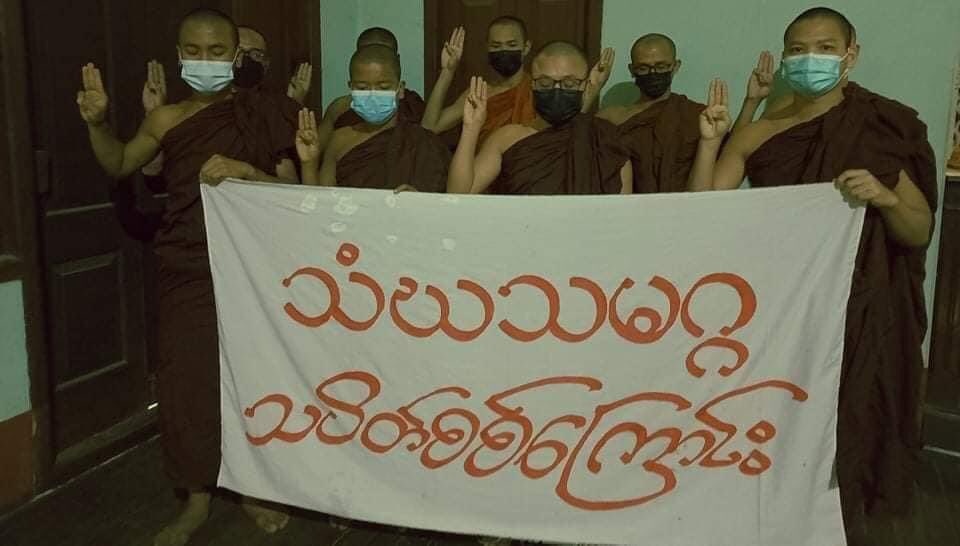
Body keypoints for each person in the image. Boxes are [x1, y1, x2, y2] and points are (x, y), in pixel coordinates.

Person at [688, 8, 936, 541]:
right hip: (783, 307)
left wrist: (888, 197)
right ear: (783, 59)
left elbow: (918, 231)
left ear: (852, 53)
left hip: (862, 308)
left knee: (850, 427)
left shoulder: (881, 127)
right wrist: (712, 142)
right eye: (797, 50)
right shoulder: (759, 133)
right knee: (776, 426)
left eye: (824, 47)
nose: (810, 59)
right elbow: (702, 211)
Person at [76, 8, 300, 545]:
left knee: (254, 377)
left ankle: (252, 486)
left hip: (253, 265)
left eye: (216, 52)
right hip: (187, 265)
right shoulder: (166, 120)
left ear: (236, 58)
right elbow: (120, 165)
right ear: (179, 58)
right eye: (194, 53)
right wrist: (97, 124)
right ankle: (196, 498)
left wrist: (248, 172)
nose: (205, 62)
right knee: (188, 383)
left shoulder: (263, 114)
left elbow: (295, 192)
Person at [447, 41, 631, 196]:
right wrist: (471, 128)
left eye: (569, 84)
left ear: (584, 85)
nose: (556, 91)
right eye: (545, 83)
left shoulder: (605, 141)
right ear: (532, 85)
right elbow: (459, 196)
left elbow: (620, 213)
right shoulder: (507, 138)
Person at [422, 17, 613, 144]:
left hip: (530, 174)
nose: (504, 51)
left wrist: (594, 89)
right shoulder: (480, 93)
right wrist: (447, 71)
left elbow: (566, 128)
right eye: (496, 45)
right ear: (487, 48)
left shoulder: (543, 89)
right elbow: (430, 127)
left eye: (512, 45)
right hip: (486, 179)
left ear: (526, 47)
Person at [299, 45, 450, 192]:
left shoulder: (421, 143)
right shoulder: (339, 139)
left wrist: (418, 199)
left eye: (383, 87)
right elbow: (320, 204)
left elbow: (441, 204)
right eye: (362, 88)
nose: (372, 95)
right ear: (351, 88)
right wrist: (309, 163)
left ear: (401, 89)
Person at [595, 33, 704, 193]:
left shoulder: (696, 115)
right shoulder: (612, 117)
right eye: (643, 68)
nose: (653, 73)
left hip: (685, 210)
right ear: (632, 70)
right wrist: (594, 88)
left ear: (676, 66)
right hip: (627, 210)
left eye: (661, 67)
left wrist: (749, 103)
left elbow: (729, 154)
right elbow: (574, 142)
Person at [314, 27, 428, 154]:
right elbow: (315, 151)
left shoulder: (411, 106)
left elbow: (429, 131)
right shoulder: (338, 110)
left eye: (383, 87)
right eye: (363, 87)